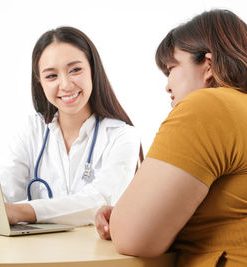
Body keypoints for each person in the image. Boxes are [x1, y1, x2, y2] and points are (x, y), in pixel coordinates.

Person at [0, 26, 142, 227]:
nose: (65, 84)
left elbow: (99, 200)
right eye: (51, 76)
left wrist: (22, 212)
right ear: (39, 82)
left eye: (75, 70)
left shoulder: (122, 136)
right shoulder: (34, 130)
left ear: (93, 69)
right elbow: (4, 190)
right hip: (35, 254)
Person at [95, 9, 247, 266]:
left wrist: (123, 217)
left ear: (208, 65)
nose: (167, 85)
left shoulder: (208, 107)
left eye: (171, 69)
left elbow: (135, 238)